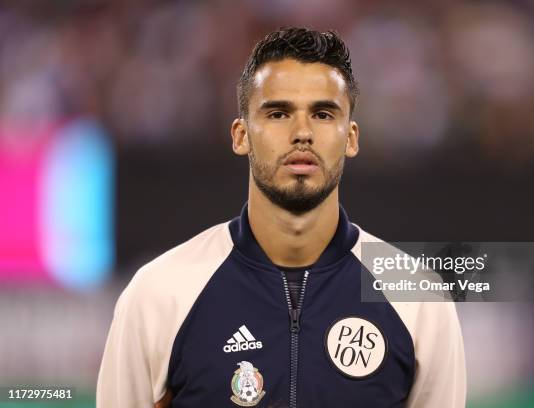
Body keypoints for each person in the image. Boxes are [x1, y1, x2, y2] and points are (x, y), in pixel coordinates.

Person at [97, 27, 466, 408]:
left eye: (323, 114)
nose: (302, 133)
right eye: (278, 113)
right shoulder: (160, 293)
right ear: (241, 136)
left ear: (351, 137)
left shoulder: (418, 298)